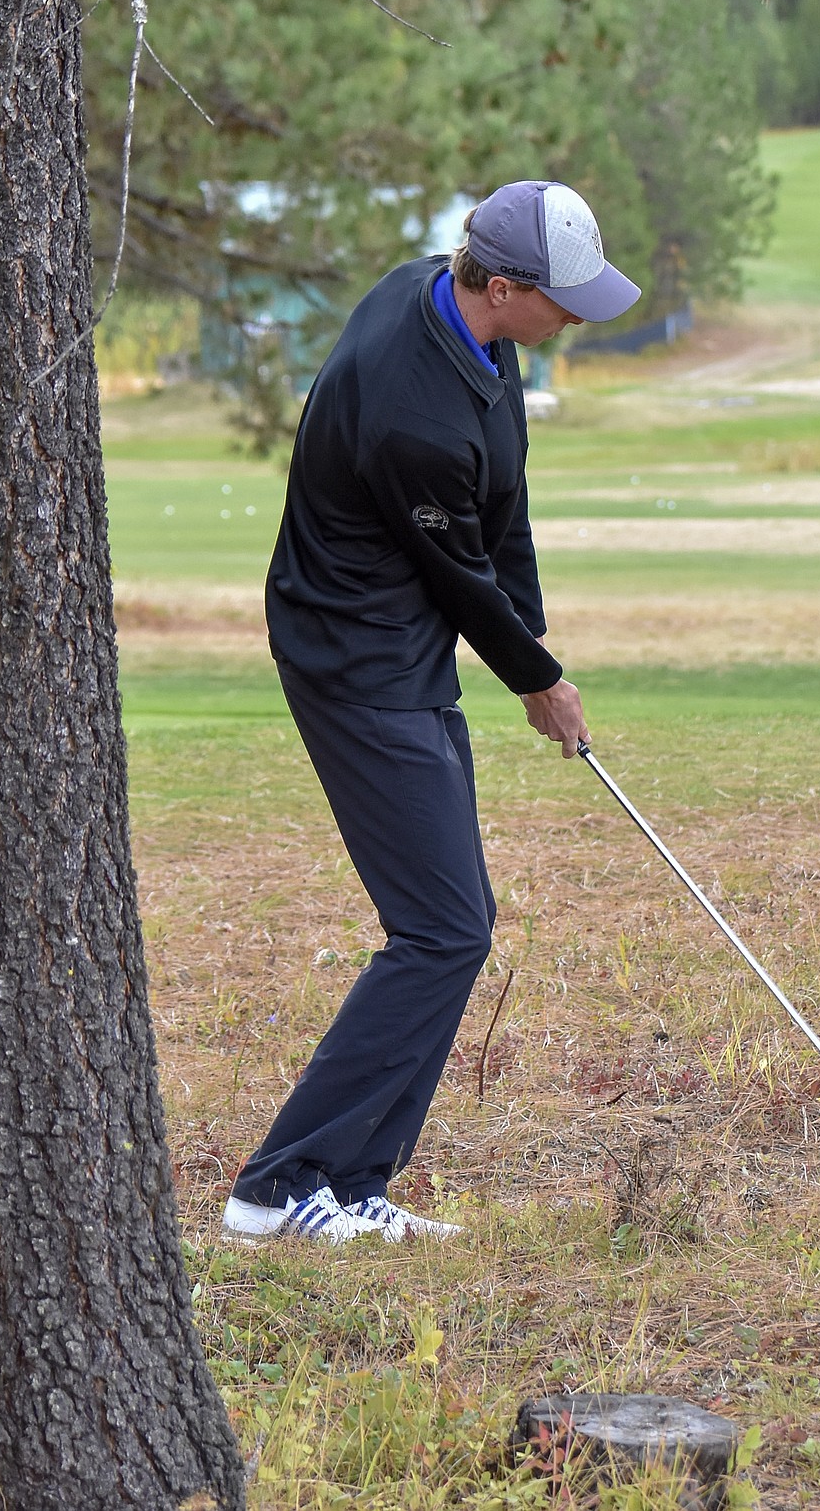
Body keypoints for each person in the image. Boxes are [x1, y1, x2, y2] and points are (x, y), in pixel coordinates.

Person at [222, 181, 640, 1244]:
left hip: (408, 648)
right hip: (353, 657)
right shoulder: (412, 406)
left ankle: (355, 1182)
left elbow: (506, 517)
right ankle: (276, 1187)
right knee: (443, 926)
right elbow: (460, 571)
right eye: (566, 300)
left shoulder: (462, 321)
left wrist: (542, 652)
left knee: (459, 925)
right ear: (502, 286)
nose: (579, 320)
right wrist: (536, 682)